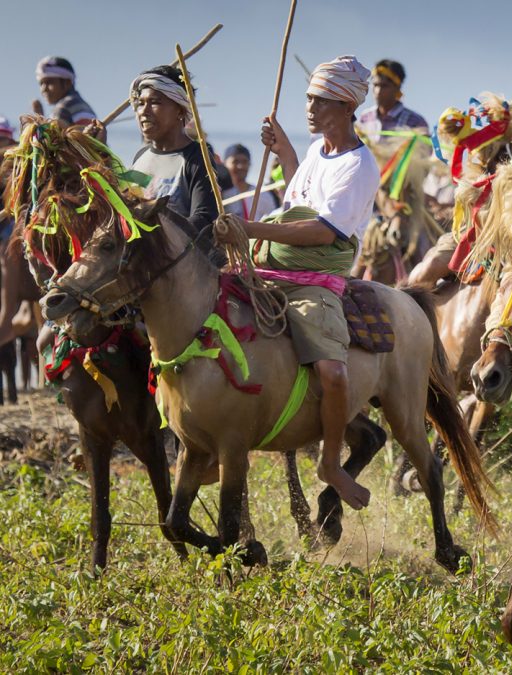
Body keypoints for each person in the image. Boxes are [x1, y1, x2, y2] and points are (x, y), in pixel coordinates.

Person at [240, 56, 380, 509]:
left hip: (312, 281)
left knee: (333, 373)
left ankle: (331, 462)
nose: (309, 107)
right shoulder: (319, 153)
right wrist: (284, 154)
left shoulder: (359, 166)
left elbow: (322, 231)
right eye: (308, 99)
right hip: (268, 269)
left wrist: (252, 230)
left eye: (319, 100)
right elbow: (297, 200)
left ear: (344, 105)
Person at [129, 66, 220, 241]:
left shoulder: (197, 157)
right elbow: (130, 203)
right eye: (140, 103)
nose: (144, 111)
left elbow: (204, 219)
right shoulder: (140, 157)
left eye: (155, 102)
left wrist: (156, 240)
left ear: (180, 110)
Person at [357, 59, 428, 142]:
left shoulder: (415, 122)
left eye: (384, 86)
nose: (378, 91)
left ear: (397, 87)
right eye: (375, 85)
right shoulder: (365, 118)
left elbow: (425, 152)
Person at [32, 56, 96, 128]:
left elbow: (52, 138)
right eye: (41, 83)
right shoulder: (85, 106)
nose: (44, 89)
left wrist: (40, 125)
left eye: (49, 82)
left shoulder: (63, 108)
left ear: (67, 83)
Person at [221, 144, 277, 221]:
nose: (240, 166)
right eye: (235, 161)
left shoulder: (262, 194)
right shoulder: (221, 194)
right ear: (224, 164)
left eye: (245, 162)